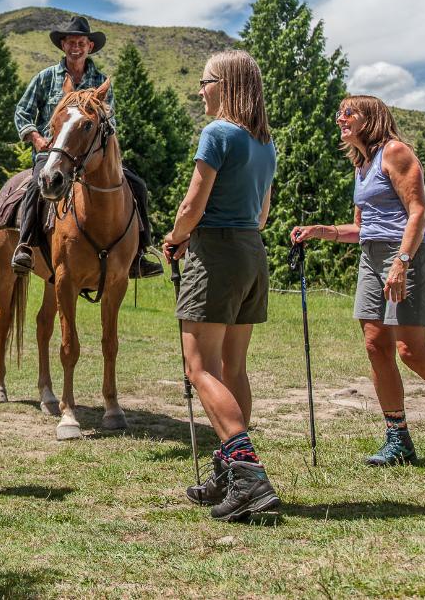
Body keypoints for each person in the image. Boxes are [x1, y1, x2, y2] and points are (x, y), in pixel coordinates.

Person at [290, 95, 425, 479]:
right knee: (376, 345)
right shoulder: (362, 165)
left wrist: (401, 263)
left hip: (406, 257)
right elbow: (363, 227)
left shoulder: (396, 152)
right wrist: (323, 231)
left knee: (412, 351)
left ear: (369, 118)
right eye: (340, 113)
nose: (340, 119)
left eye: (348, 113)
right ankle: (398, 439)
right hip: (372, 258)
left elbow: (418, 211)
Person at [163, 50, 279, 521]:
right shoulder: (264, 143)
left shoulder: (216, 134)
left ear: (226, 84)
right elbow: (264, 213)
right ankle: (230, 469)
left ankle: (248, 474)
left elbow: (193, 203)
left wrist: (175, 238)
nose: (200, 90)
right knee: (234, 366)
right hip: (252, 251)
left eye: (206, 81)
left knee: (200, 368)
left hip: (216, 254)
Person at [11, 15, 163, 279]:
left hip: (94, 158)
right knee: (36, 185)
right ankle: (25, 245)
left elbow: (111, 122)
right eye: (71, 42)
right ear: (63, 45)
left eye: (81, 42)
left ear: (89, 46)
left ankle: (140, 253)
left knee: (137, 185)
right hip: (52, 155)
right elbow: (22, 112)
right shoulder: (46, 78)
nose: (76, 47)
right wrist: (37, 139)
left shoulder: (101, 82)